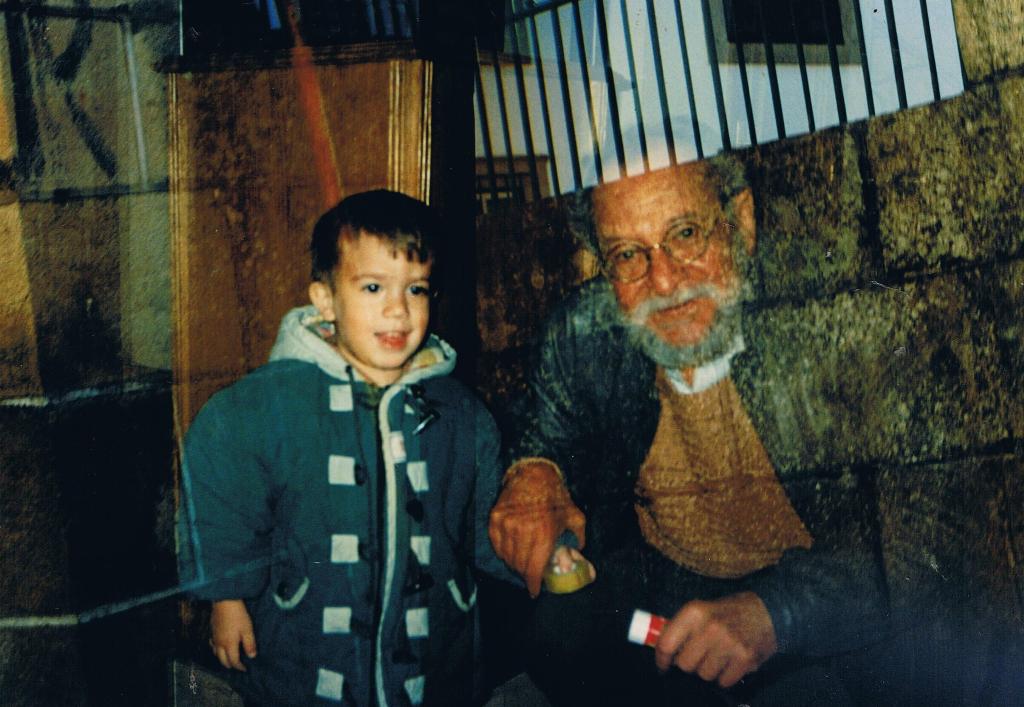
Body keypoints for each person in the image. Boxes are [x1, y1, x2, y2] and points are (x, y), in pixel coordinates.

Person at [488, 156, 889, 705]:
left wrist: (778, 612)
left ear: (741, 221)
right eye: (628, 254)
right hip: (662, 590)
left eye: (686, 234)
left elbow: (924, 525)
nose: (666, 280)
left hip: (814, 595)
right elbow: (544, 422)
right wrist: (533, 474)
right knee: (549, 651)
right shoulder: (584, 328)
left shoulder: (834, 312)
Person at [177, 190, 520, 706]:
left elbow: (487, 518)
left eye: (417, 289)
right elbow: (225, 495)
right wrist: (227, 599)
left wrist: (533, 552)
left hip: (428, 645)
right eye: (373, 287)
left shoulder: (461, 413)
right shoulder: (261, 407)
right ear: (325, 298)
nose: (397, 310)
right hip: (306, 644)